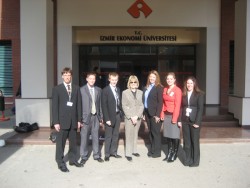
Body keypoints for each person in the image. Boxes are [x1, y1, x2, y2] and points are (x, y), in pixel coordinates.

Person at [52, 67, 83, 172]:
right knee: (60, 143)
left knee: (73, 143)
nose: (67, 77)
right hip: (62, 121)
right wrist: (55, 122)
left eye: (69, 75)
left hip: (74, 121)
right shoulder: (57, 89)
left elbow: (79, 105)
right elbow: (54, 107)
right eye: (65, 75)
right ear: (62, 76)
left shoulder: (76, 88)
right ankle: (60, 162)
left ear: (71, 76)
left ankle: (73, 160)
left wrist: (79, 120)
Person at [178, 76, 204, 167]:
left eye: (191, 83)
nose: (189, 85)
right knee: (187, 142)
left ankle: (195, 161)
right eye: (188, 83)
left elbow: (200, 109)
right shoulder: (184, 94)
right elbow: (181, 108)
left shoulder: (199, 94)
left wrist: (197, 122)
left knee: (194, 142)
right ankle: (187, 159)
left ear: (194, 84)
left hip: (194, 122)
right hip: (185, 120)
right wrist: (179, 120)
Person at [79, 72, 104, 165]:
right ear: (87, 79)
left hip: (96, 117)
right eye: (90, 78)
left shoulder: (98, 90)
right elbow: (79, 105)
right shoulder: (81, 90)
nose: (92, 80)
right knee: (84, 138)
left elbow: (100, 104)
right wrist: (79, 119)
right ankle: (84, 156)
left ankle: (96, 155)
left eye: (93, 79)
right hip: (85, 118)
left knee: (95, 137)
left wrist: (101, 116)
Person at [160, 72, 182, 162]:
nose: (169, 80)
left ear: (174, 80)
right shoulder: (165, 89)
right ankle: (169, 153)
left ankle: (175, 154)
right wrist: (162, 114)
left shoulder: (177, 90)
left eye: (171, 79)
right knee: (168, 136)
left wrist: (175, 118)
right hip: (166, 114)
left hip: (173, 115)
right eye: (167, 79)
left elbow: (178, 105)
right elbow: (163, 103)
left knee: (175, 136)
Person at [122, 75, 144, 161]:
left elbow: (141, 105)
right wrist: (131, 116)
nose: (133, 83)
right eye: (132, 82)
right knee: (129, 135)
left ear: (137, 83)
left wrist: (137, 116)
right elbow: (124, 105)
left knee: (135, 134)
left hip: (138, 117)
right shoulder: (125, 92)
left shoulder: (141, 92)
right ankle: (128, 153)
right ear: (129, 83)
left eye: (135, 82)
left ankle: (134, 150)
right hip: (129, 117)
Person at [101, 72, 123, 161]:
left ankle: (113, 152)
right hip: (109, 117)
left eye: (115, 80)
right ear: (109, 79)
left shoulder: (118, 89)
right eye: (112, 80)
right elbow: (104, 105)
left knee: (115, 135)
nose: (114, 81)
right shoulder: (105, 90)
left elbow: (119, 102)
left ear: (117, 80)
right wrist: (107, 119)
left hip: (117, 115)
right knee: (108, 136)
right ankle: (107, 154)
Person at [143, 70, 163, 158]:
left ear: (157, 78)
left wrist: (158, 115)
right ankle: (152, 149)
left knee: (156, 133)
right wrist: (144, 113)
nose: (151, 78)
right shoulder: (146, 87)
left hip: (155, 114)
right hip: (147, 113)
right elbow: (144, 101)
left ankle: (157, 152)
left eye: (153, 77)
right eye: (150, 77)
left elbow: (160, 102)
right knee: (150, 132)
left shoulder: (159, 87)